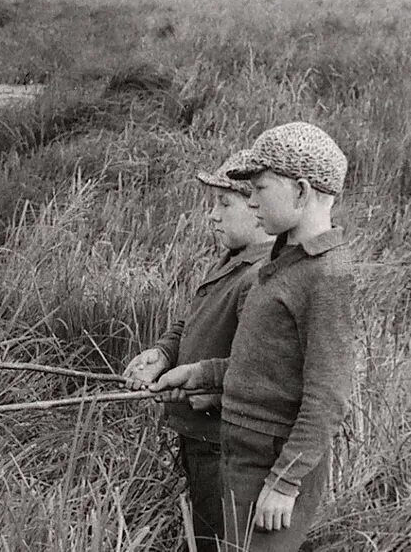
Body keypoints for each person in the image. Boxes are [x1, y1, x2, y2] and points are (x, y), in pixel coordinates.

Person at [152, 121, 354, 552]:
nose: (253, 200)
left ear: (300, 191)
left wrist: (284, 481)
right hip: (241, 452)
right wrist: (203, 374)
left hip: (273, 462)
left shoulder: (326, 276)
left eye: (259, 188)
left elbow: (327, 396)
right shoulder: (281, 264)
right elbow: (267, 366)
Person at [123, 149, 274, 552]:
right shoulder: (231, 259)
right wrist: (164, 354)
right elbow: (192, 321)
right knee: (204, 533)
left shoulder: (262, 279)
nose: (212, 215)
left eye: (224, 203)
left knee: (221, 541)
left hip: (225, 447)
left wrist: (194, 382)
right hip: (200, 437)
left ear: (259, 207)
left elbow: (256, 371)